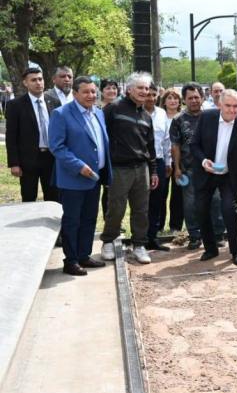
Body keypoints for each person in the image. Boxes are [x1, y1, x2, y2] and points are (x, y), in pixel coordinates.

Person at [49, 76, 112, 276]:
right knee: (72, 220)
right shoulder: (61, 114)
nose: (91, 95)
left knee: (89, 218)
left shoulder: (99, 113)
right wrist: (78, 166)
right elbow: (57, 147)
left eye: (93, 91)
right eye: (85, 92)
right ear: (75, 93)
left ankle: (84, 255)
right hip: (74, 179)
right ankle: (71, 260)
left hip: (95, 178)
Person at [191, 89, 237, 265]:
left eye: (236, 106)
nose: (232, 110)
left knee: (229, 210)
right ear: (219, 104)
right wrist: (204, 161)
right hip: (206, 172)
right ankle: (210, 249)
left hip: (230, 176)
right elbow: (194, 145)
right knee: (201, 209)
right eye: (228, 106)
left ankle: (235, 251)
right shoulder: (206, 117)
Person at [99, 72, 159, 264]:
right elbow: (102, 138)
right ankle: (108, 240)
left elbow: (150, 146)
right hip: (119, 168)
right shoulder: (113, 108)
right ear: (130, 89)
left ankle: (139, 245)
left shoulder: (146, 116)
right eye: (140, 88)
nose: (144, 91)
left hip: (142, 168)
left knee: (141, 209)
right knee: (116, 207)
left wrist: (154, 170)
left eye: (146, 88)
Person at [170, 83, 226, 250]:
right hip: (189, 168)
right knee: (190, 204)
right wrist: (177, 168)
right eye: (190, 98)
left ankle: (217, 234)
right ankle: (194, 236)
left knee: (215, 201)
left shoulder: (213, 116)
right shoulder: (178, 119)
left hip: (212, 167)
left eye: (196, 97)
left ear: (202, 97)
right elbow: (175, 145)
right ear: (184, 100)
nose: (194, 101)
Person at [5, 67, 61, 202]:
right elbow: (11, 136)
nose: (38, 83)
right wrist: (14, 163)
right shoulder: (15, 105)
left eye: (40, 79)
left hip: (52, 158)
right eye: (33, 80)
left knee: (54, 197)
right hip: (28, 160)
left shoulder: (54, 102)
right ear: (25, 83)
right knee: (29, 197)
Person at [144, 83, 173, 251]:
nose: (151, 98)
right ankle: (139, 238)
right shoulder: (136, 112)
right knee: (141, 202)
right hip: (141, 162)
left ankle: (152, 237)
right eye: (149, 94)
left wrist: (168, 162)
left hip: (160, 161)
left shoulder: (162, 114)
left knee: (157, 201)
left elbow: (167, 140)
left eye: (154, 95)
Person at [160, 89, 184, 233]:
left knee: (178, 195)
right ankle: (159, 225)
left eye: (176, 98)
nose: (173, 101)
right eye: (169, 98)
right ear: (164, 101)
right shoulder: (159, 116)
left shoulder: (183, 117)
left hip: (178, 161)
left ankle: (175, 226)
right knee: (161, 194)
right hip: (162, 160)